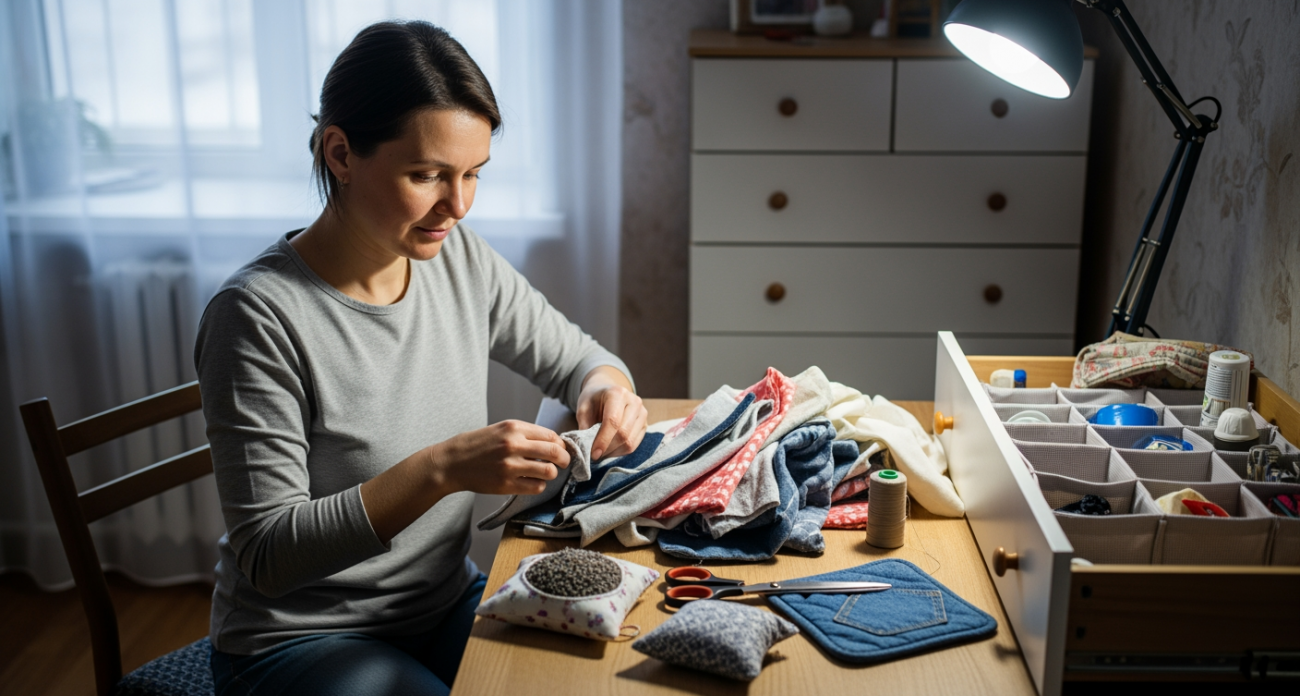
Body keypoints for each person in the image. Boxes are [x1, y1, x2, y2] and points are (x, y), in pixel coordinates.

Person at [196, 21, 645, 696]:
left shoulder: (455, 258)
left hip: (440, 604)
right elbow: (268, 554)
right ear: (341, 153)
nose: (458, 205)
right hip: (298, 639)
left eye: (472, 175)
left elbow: (580, 358)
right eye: (427, 175)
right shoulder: (256, 315)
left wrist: (610, 389)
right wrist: (442, 469)